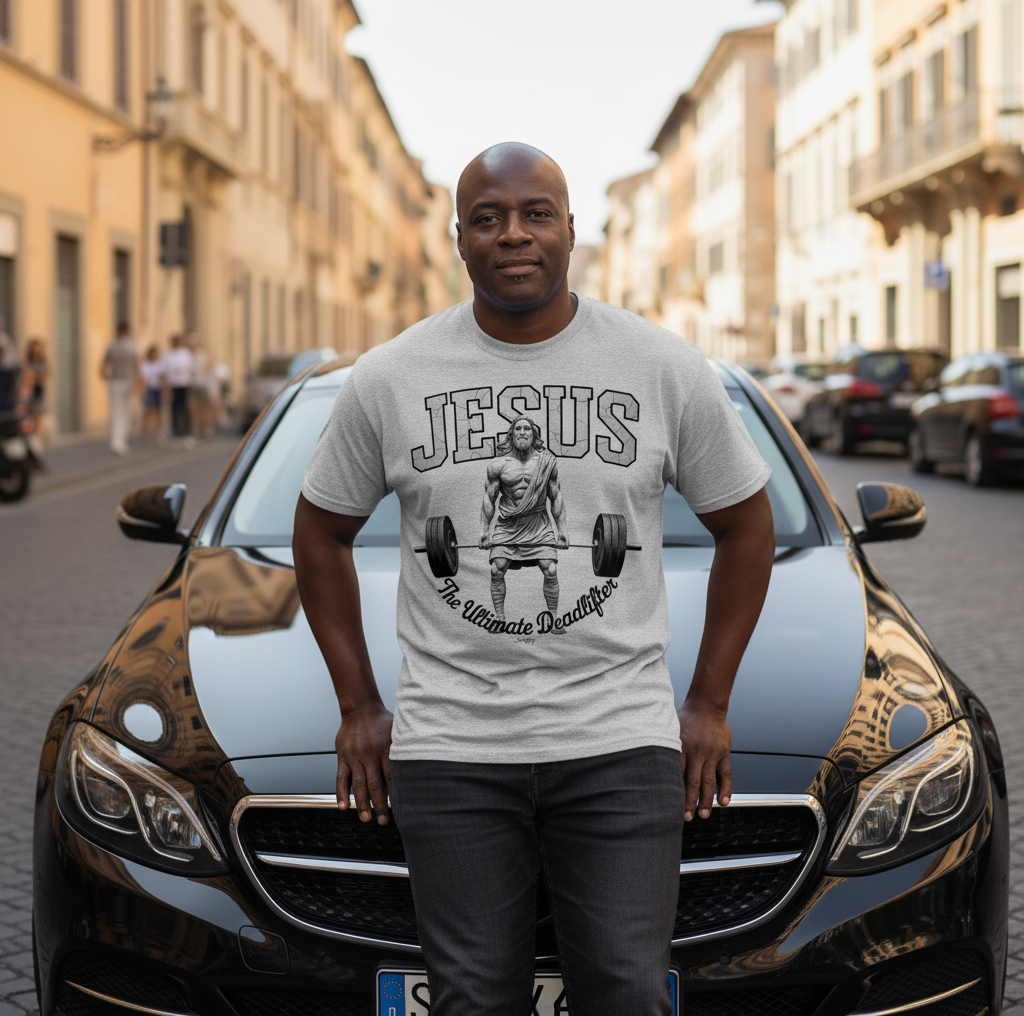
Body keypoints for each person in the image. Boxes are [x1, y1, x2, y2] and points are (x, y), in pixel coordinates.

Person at [293, 143, 776, 1016]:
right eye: (488, 218)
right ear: (460, 241)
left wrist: (707, 701)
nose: (513, 235)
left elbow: (746, 525)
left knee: (627, 994)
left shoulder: (660, 366)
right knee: (475, 1000)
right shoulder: (393, 377)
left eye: (535, 213)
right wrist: (360, 707)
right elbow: (319, 531)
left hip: (620, 739)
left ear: (570, 230)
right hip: (452, 747)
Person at [480, 415, 567, 630]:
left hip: (538, 524)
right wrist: (484, 531)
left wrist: (562, 531)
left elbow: (555, 497)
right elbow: (489, 498)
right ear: (511, 434)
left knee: (551, 570)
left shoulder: (547, 462)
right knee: (496, 570)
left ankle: (554, 619)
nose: (522, 432)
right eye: (517, 428)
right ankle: (500, 619)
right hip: (508, 525)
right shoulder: (498, 465)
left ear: (533, 434)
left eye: (527, 429)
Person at [100, 322, 138, 456]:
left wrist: (105, 376)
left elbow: (104, 366)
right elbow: (136, 365)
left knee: (117, 412)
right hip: (126, 381)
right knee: (124, 412)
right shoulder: (131, 346)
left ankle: (117, 441)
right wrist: (138, 383)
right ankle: (120, 441)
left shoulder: (112, 346)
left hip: (115, 381)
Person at [162, 334, 195, 444]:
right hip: (173, 385)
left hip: (184, 384)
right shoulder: (168, 355)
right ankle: (176, 431)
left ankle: (186, 431)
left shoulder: (186, 354)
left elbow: (191, 368)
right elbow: (164, 372)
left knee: (185, 408)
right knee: (174, 409)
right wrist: (166, 387)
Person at [24, 339, 49, 466]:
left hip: (39, 397)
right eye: (34, 348)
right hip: (29, 398)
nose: (36, 350)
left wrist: (35, 377)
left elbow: (45, 376)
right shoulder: (28, 362)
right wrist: (35, 377)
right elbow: (28, 377)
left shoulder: (42, 361)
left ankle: (36, 453)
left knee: (39, 428)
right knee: (30, 427)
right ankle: (32, 454)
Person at [139, 345, 165, 441]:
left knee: (158, 410)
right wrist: (142, 389)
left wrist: (164, 389)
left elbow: (162, 377)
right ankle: (146, 430)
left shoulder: (159, 364)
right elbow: (142, 377)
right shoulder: (145, 364)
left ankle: (158, 429)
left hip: (157, 388)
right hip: (149, 388)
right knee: (148, 409)